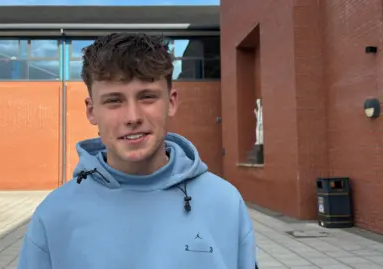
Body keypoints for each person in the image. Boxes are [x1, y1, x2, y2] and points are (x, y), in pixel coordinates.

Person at [17, 33, 256, 269]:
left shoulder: (225, 203)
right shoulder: (53, 216)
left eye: (147, 97)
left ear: (171, 102)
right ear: (91, 111)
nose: (133, 117)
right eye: (114, 101)